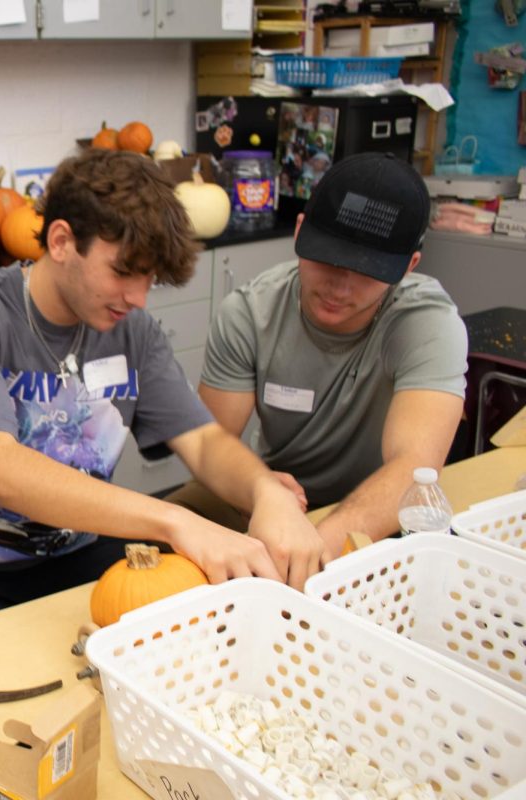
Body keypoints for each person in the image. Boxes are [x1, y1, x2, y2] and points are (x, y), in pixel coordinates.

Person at [0, 148, 323, 637]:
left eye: (149, 280)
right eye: (122, 272)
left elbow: (203, 440)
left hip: (78, 555)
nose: (137, 299)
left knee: (196, 642)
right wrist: (175, 520)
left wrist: (265, 491)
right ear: (61, 241)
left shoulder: (133, 331)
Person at [172, 152, 467, 557]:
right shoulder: (249, 313)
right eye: (328, 260)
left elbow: (413, 468)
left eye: (367, 271)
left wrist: (314, 552)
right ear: (298, 232)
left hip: (380, 510)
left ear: (407, 267)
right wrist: (257, 489)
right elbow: (210, 445)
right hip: (277, 496)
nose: (340, 288)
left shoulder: (428, 323)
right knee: (170, 526)